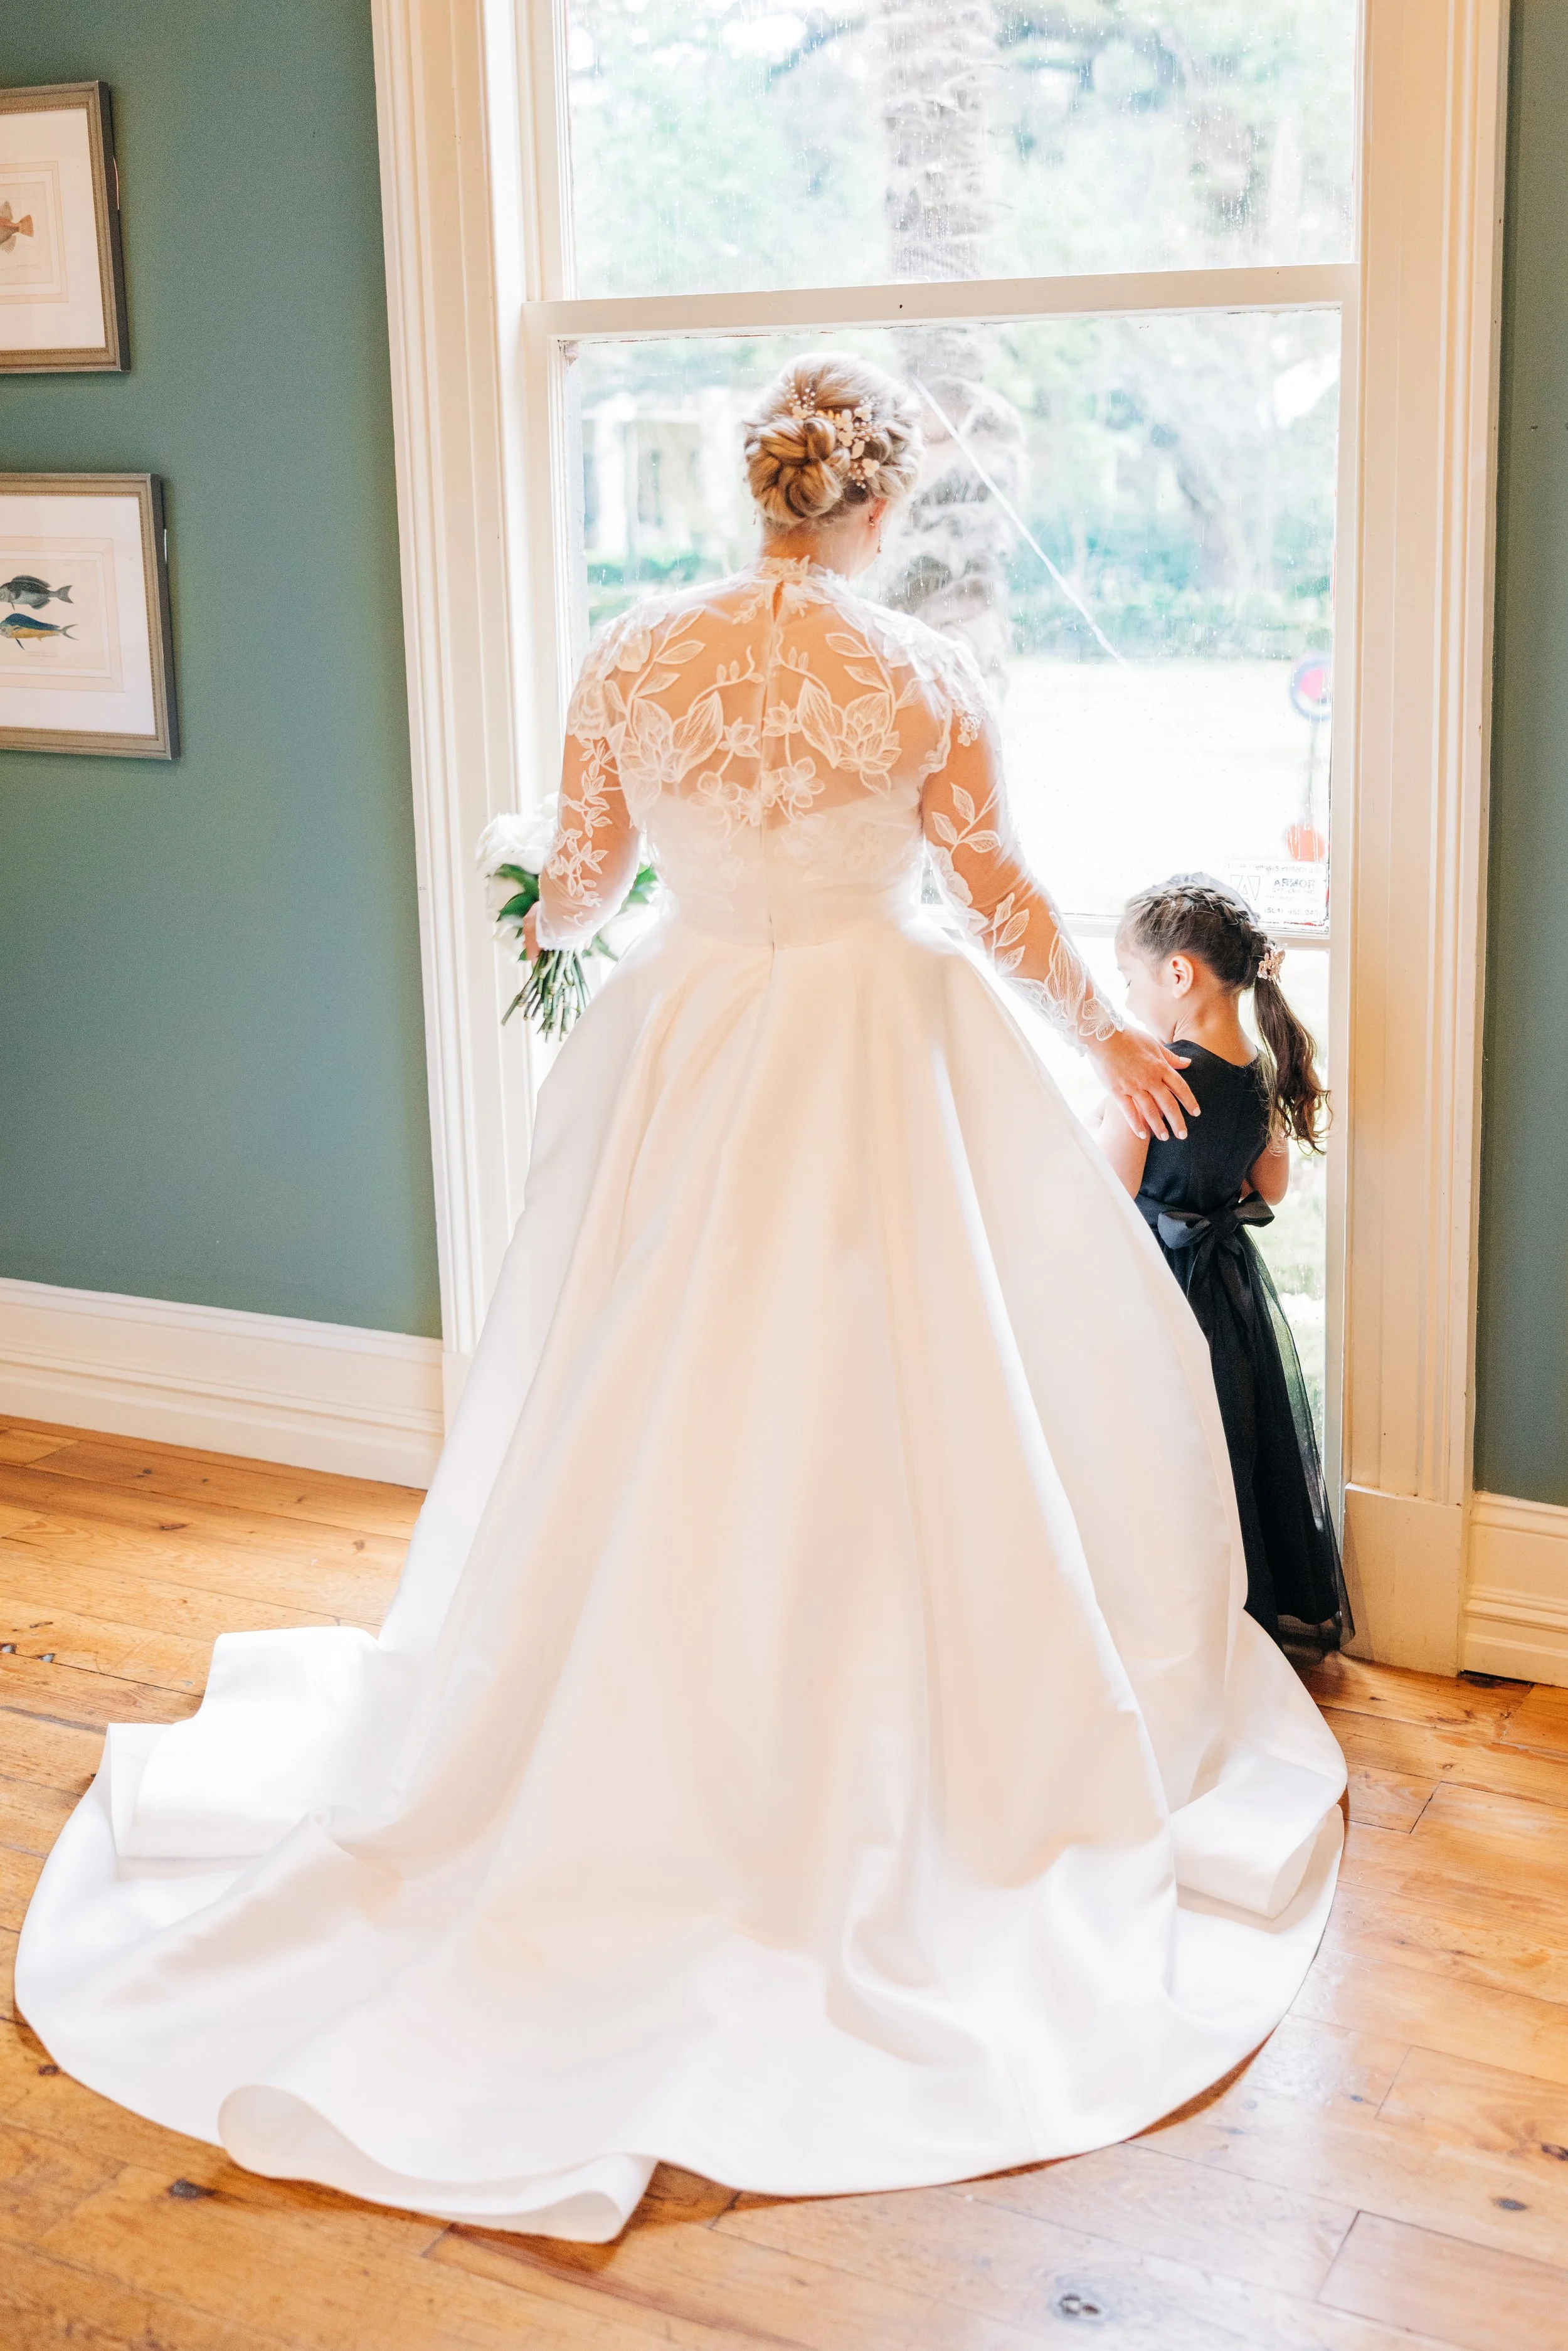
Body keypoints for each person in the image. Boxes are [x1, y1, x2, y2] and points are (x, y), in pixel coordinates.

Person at [17, 356, 1345, 2245]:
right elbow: (997, 900)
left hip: (695, 1032)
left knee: (653, 1368)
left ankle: (626, 1707)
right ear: (877, 505)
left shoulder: (635, 653)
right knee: (909, 1380)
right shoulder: (923, 672)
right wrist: (1109, 1039)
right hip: (880, 1045)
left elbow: (577, 887)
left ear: (760, 489)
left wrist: (533, 901)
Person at [1098, 873, 1352, 1655]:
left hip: (1160, 1284)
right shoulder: (1260, 1071)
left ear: (1177, 973)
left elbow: (1108, 1189)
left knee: (1158, 1445)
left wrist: (1100, 1116)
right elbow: (1268, 1186)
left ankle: (1160, 1613)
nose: (1129, 998)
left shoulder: (1155, 1075)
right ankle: (1236, 1606)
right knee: (1227, 1444)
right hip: (1228, 1290)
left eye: (1130, 978)